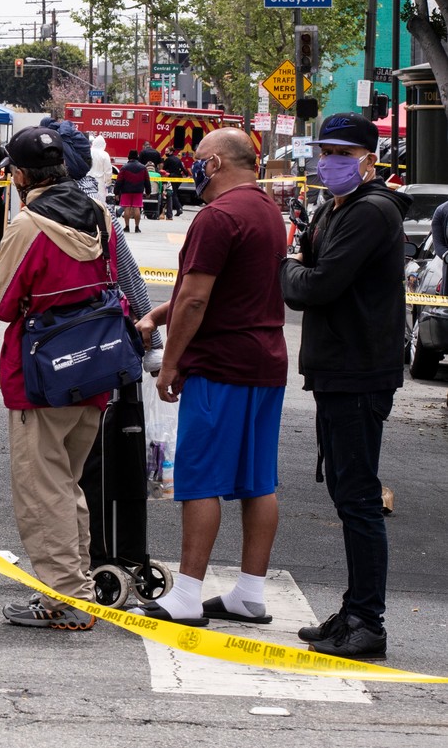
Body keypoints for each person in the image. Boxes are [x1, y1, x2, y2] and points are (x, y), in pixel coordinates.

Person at [128, 128, 287, 627]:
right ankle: (249, 591)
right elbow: (226, 288)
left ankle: (188, 594)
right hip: (267, 360)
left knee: (199, 478)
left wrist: (170, 363)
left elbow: (198, 298)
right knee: (258, 481)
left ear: (215, 163)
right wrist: (160, 313)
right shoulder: (266, 211)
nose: (193, 166)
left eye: (198, 159)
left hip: (220, 364)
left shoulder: (217, 217)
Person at [280, 112, 412, 661]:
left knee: (358, 499)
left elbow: (315, 284)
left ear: (368, 158)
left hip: (359, 371)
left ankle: (368, 621)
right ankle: (355, 607)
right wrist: (302, 264)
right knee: (346, 494)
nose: (327, 162)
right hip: (338, 370)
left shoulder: (370, 212)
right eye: (323, 151)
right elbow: (313, 270)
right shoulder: (337, 209)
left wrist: (289, 265)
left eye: (339, 153)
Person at [0, 126, 119, 632]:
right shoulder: (100, 215)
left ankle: (64, 598)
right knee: (67, 484)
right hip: (95, 366)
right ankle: (77, 586)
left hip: (41, 375)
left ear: (20, 175)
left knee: (43, 490)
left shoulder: (28, 225)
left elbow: (1, 304)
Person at [115, 150, 151, 233]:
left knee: (127, 207)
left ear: (129, 156)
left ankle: (127, 227)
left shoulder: (124, 168)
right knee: (137, 208)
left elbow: (119, 181)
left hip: (126, 191)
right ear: (137, 157)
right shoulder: (143, 168)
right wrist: (148, 192)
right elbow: (147, 181)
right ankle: (137, 227)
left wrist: (116, 192)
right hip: (138, 191)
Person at [87, 134, 112, 204]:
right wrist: (108, 182)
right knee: (100, 202)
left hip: (86, 179)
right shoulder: (105, 154)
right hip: (99, 181)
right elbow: (108, 171)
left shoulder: (88, 152)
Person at [162, 150, 186, 217]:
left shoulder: (168, 160)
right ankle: (178, 208)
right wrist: (187, 175)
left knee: (173, 194)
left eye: (167, 151)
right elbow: (182, 168)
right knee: (174, 193)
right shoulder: (178, 159)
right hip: (179, 178)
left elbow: (164, 169)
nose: (165, 152)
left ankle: (179, 208)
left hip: (172, 177)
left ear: (171, 152)